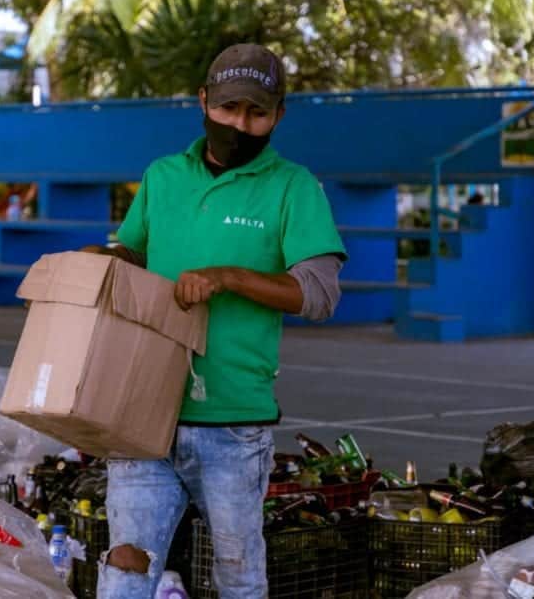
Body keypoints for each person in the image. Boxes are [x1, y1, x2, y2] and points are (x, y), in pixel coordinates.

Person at [85, 44, 346, 598]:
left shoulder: (294, 187)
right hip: (142, 410)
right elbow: (133, 255)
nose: (240, 123)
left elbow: (319, 294)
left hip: (232, 423)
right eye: (228, 109)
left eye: (256, 112)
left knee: (238, 576)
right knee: (126, 567)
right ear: (203, 102)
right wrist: (100, 260)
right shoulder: (162, 176)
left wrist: (230, 276)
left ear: (278, 115)